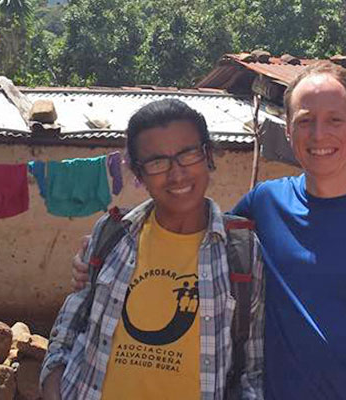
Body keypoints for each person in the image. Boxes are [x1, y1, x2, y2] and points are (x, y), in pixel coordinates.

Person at [73, 62, 346, 399]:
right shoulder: (264, 207)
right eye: (305, 122)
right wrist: (103, 254)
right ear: (288, 131)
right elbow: (191, 238)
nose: (319, 135)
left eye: (334, 120)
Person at [43, 99, 265, 400]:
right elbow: (73, 318)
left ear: (207, 155)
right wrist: (53, 381)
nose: (176, 174)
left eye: (188, 154)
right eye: (157, 162)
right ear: (139, 173)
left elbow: (253, 368)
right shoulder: (112, 233)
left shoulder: (242, 252)